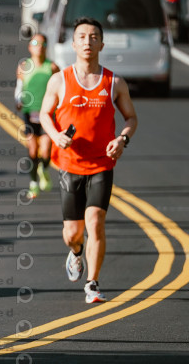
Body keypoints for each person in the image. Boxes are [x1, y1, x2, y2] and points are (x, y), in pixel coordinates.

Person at [39, 17, 138, 303]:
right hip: (70, 165)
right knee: (73, 233)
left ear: (101, 44)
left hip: (101, 165)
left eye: (94, 37)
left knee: (95, 221)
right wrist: (56, 135)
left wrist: (122, 139)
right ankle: (76, 252)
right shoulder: (60, 80)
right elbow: (45, 114)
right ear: (73, 44)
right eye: (82, 37)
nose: (88, 42)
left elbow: (131, 117)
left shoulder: (114, 82)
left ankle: (93, 283)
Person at [15, 34, 59, 199]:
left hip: (47, 113)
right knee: (33, 150)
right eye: (35, 43)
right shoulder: (24, 66)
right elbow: (19, 86)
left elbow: (60, 88)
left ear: (46, 47)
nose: (39, 46)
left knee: (46, 151)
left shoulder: (52, 67)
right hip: (30, 112)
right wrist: (18, 100)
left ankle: (44, 169)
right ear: (29, 47)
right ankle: (33, 183)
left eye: (42, 43)